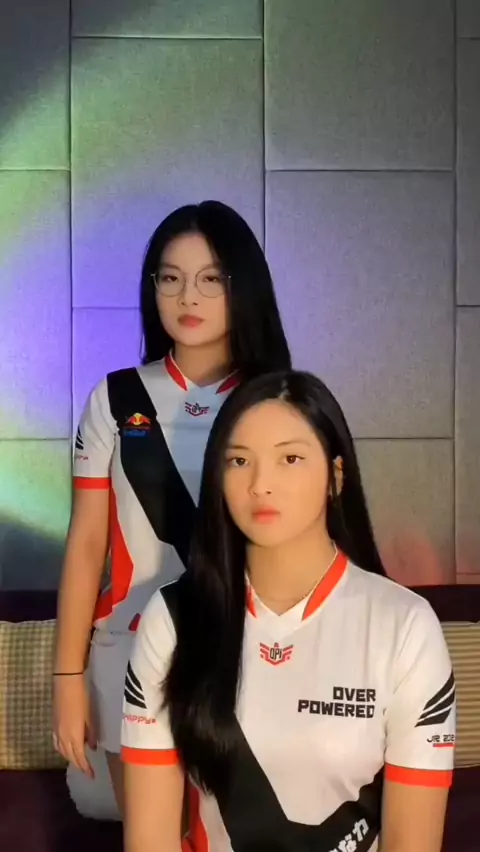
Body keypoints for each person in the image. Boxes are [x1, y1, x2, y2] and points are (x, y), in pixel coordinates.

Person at [121, 370, 456, 852]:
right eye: (239, 461)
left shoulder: (405, 626)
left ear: (335, 476)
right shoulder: (173, 619)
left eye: (290, 459)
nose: (261, 485)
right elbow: (150, 839)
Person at [53, 200, 292, 815]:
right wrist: (67, 679)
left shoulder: (278, 400)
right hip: (126, 652)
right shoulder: (115, 398)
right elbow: (87, 544)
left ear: (243, 286)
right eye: (170, 277)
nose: (188, 296)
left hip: (247, 655)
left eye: (211, 278)